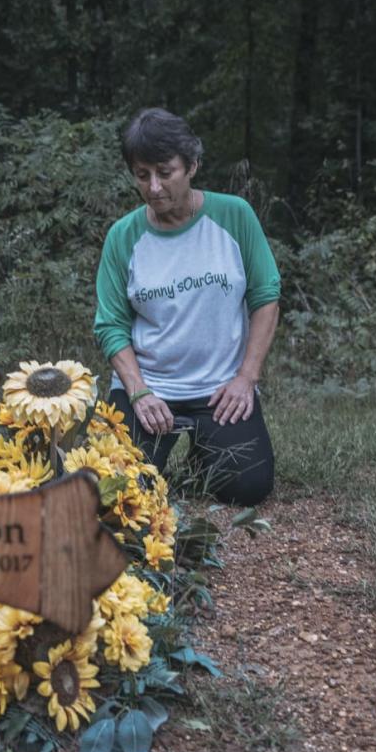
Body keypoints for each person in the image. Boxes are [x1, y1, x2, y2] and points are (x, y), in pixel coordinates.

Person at [93, 108, 280, 506]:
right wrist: (140, 393)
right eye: (143, 175)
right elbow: (110, 325)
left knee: (247, 487)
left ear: (192, 165)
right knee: (115, 490)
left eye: (165, 172)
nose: (155, 187)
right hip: (147, 389)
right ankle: (158, 440)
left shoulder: (234, 215)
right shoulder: (122, 236)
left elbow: (265, 296)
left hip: (218, 391)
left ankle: (203, 443)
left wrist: (246, 378)